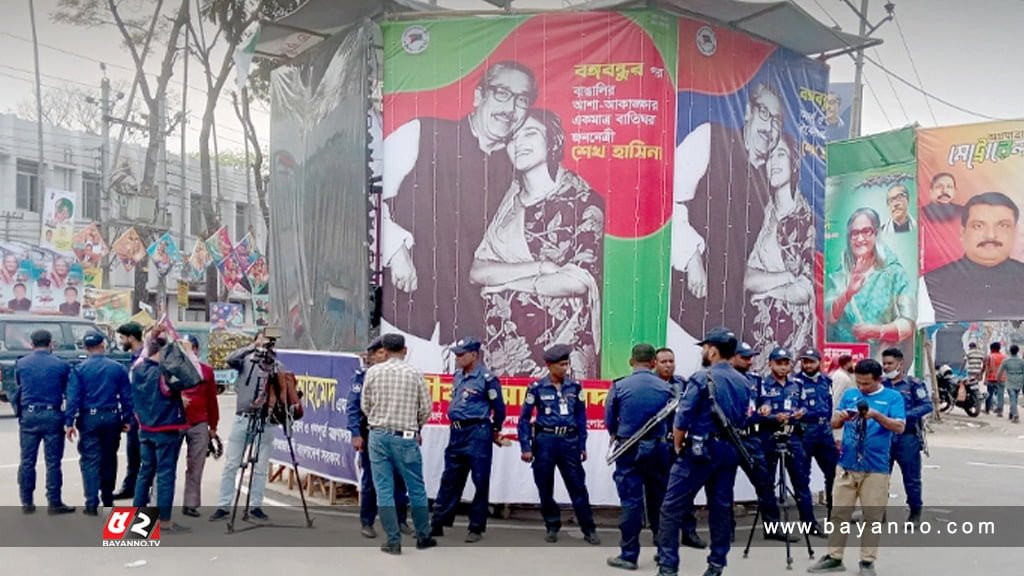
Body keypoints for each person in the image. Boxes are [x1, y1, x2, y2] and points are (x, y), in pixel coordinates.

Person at [381, 61, 537, 372]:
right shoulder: (422, 132)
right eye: (503, 93)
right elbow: (370, 202)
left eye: (522, 100)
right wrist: (396, 250)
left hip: (471, 331)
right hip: (406, 317)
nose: (511, 108)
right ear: (479, 96)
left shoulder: (519, 169)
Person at [470, 108, 605, 378]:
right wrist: (541, 266)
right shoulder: (507, 204)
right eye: (512, 138)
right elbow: (478, 272)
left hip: (561, 343)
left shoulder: (582, 200)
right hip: (503, 344)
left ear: (553, 142)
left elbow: (578, 280)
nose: (519, 143)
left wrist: (505, 282)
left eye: (530, 134)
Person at [669, 83, 782, 373]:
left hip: (729, 318)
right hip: (685, 310)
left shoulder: (770, 182)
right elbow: (670, 199)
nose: (769, 127)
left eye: (777, 121)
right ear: (747, 112)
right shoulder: (711, 137)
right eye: (764, 114)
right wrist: (691, 257)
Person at [654, 327, 754, 576]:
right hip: (729, 450)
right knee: (720, 507)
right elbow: (743, 418)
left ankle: (668, 567)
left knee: (671, 507)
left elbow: (682, 417)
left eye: (705, 348)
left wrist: (678, 445)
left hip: (699, 451)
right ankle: (716, 564)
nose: (704, 352)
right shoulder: (743, 381)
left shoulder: (702, 378)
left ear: (713, 350)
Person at [808, 359, 906, 576]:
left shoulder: (893, 397)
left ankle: (867, 562)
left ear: (878, 379)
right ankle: (834, 557)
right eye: (859, 382)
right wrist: (840, 418)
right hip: (847, 464)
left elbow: (900, 427)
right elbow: (833, 422)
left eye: (867, 384)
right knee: (838, 514)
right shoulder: (851, 395)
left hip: (876, 467)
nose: (862, 387)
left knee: (872, 517)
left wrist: (877, 416)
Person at [744, 133, 815, 371]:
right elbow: (747, 279)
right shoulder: (764, 214)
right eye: (770, 155)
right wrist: (784, 278)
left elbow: (804, 290)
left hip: (791, 334)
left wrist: (764, 291)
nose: (773, 162)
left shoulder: (803, 218)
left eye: (781, 154)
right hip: (759, 331)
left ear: (794, 163)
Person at [361, 333, 436, 554]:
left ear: (384, 349)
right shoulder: (414, 373)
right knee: (416, 488)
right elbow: (426, 408)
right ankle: (423, 536)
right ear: (405, 350)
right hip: (405, 437)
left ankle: (393, 541)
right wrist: (414, 425)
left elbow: (365, 405)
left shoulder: (373, 372)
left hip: (378, 436)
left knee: (384, 489)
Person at [518, 344, 600, 545]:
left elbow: (581, 417)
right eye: (561, 365)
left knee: (577, 486)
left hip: (569, 442)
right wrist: (526, 447)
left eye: (567, 364)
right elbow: (524, 419)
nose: (566, 368)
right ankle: (552, 525)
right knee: (545, 486)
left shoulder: (575, 387)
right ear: (549, 365)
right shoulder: (536, 388)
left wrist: (582, 444)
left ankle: (588, 529)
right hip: (545, 441)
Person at [605, 343, 675, 571]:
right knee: (661, 502)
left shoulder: (620, 386)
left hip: (628, 450)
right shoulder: (666, 388)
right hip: (658, 449)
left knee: (631, 503)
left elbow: (609, 422)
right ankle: (664, 553)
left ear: (630, 361)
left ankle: (629, 555)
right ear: (654, 363)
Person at [430, 337, 506, 542]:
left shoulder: (487, 378)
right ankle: (438, 522)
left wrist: (496, 429)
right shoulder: (457, 376)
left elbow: (499, 408)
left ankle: (476, 527)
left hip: (478, 432)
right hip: (457, 433)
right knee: (450, 479)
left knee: (480, 480)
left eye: (461, 354)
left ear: (474, 355)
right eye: (456, 354)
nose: (457, 358)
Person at [210, 330, 283, 522]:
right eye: (264, 340)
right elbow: (230, 359)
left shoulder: (276, 365)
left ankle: (255, 506)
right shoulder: (246, 360)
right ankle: (224, 506)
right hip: (243, 417)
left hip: (265, 421)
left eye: (270, 342)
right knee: (232, 464)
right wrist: (254, 346)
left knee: (260, 467)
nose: (267, 345)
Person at [825, 207, 915, 358]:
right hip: (844, 364)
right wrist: (848, 294)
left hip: (880, 366)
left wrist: (876, 331)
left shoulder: (894, 273)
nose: (860, 239)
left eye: (866, 231)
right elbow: (828, 317)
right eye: (855, 233)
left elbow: (908, 323)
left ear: (877, 234)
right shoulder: (839, 276)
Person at [922, 192, 1024, 321]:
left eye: (1003, 226)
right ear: (962, 233)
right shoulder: (930, 283)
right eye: (978, 226)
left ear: (1015, 232)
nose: (990, 236)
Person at [346, 337, 411, 538]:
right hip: (372, 431)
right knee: (372, 480)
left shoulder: (403, 374)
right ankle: (367, 521)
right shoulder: (365, 376)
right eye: (381, 353)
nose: (385, 356)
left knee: (400, 478)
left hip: (399, 431)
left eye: (386, 352)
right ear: (372, 356)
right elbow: (354, 407)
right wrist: (356, 434)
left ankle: (401, 520)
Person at [64, 331, 132, 515]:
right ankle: (108, 500)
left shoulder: (79, 369)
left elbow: (73, 398)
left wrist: (69, 422)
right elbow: (127, 397)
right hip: (111, 417)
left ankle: (91, 503)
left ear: (86, 348)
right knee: (109, 458)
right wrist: (127, 419)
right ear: (103, 344)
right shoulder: (117, 368)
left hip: (89, 418)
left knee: (90, 460)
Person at [130, 330, 191, 533]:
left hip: (145, 428)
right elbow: (191, 378)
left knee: (145, 471)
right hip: (166, 427)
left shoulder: (137, 369)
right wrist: (188, 355)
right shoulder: (163, 373)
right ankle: (164, 520)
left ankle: (138, 517)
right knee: (165, 474)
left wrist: (152, 335)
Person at [757, 347, 823, 535]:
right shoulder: (762, 385)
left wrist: (802, 412)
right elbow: (755, 411)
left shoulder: (797, 384)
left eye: (787, 363)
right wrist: (772, 417)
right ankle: (772, 527)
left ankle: (809, 524)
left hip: (792, 436)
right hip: (769, 436)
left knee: (801, 481)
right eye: (779, 363)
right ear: (770, 364)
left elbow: (805, 406)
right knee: (767, 482)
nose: (783, 367)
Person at [730, 342, 791, 542]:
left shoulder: (755, 379)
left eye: (751, 357)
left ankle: (773, 528)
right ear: (733, 357)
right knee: (723, 486)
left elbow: (764, 399)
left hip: (752, 438)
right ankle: (726, 530)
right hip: (729, 437)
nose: (749, 361)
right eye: (745, 357)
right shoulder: (724, 378)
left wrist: (765, 407)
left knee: (765, 484)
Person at [11, 329, 75, 515]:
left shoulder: (21, 363)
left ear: (31, 344)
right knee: (53, 462)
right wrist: (69, 419)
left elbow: (18, 388)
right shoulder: (61, 365)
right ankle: (54, 502)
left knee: (27, 460)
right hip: (53, 415)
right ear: (51, 344)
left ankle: (27, 502)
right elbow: (68, 393)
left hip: (29, 416)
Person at [655, 348, 708, 549]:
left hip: (678, 446)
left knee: (685, 493)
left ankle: (689, 532)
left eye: (671, 361)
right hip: (658, 446)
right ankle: (662, 536)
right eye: (664, 361)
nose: (668, 365)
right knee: (661, 494)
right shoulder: (651, 385)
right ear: (655, 364)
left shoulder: (682, 384)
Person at [880, 347, 932, 524]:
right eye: (884, 363)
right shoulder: (880, 384)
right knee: (879, 477)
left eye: (890, 363)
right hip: (883, 437)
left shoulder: (913, 384)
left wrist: (903, 415)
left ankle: (915, 512)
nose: (886, 367)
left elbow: (926, 406)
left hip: (906, 437)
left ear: (900, 364)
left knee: (911, 478)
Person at [796, 348, 839, 519]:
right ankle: (808, 520)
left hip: (824, 431)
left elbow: (829, 406)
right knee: (802, 477)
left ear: (819, 362)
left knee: (834, 473)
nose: (807, 365)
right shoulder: (795, 382)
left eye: (811, 361)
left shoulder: (826, 381)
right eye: (804, 361)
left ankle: (833, 515)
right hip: (805, 431)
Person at [180, 335, 219, 518]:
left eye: (188, 347)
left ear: (195, 349)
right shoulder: (173, 369)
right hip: (176, 421)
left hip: (199, 422)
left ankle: (191, 503)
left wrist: (213, 426)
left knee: (196, 464)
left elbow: (212, 400)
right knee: (166, 465)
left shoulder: (206, 371)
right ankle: (161, 503)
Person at [113, 322, 145, 500]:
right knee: (133, 453)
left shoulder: (144, 358)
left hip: (141, 414)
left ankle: (141, 490)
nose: (121, 342)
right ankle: (131, 487)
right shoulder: (135, 358)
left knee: (141, 453)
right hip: (134, 413)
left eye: (123, 338)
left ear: (131, 338)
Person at [919, 172, 963, 274]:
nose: (945, 191)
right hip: (928, 273)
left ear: (955, 191)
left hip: (959, 272)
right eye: (939, 187)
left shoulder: (964, 213)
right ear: (931, 191)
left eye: (949, 187)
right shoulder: (920, 215)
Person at [830, 355, 856, 446]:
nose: (852, 365)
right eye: (851, 362)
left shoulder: (844, 375)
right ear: (847, 363)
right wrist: (835, 415)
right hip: (839, 414)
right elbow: (836, 396)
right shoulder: (841, 377)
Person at [996, 345, 1024, 423]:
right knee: (1015, 397)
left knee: (1012, 397)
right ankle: (1011, 413)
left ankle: (1015, 414)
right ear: (1017, 351)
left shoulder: (1006, 361)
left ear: (1010, 351)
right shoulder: (1021, 361)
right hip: (1019, 380)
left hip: (1010, 380)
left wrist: (998, 380)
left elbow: (1000, 372)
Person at [982, 342, 1007, 416]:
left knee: (989, 394)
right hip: (1001, 379)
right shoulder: (1004, 357)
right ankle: (1000, 411)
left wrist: (985, 378)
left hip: (991, 378)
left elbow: (987, 368)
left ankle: (987, 409)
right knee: (1000, 395)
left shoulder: (989, 357)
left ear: (991, 349)